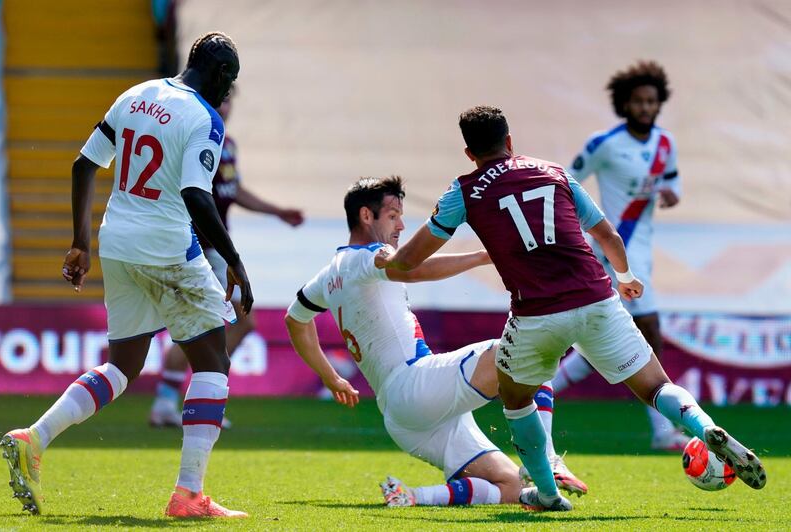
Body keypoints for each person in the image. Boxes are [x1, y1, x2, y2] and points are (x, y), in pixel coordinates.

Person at [376, 106, 766, 512]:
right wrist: (626, 275)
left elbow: (408, 261)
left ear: (469, 153)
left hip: (535, 314)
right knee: (654, 386)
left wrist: (391, 259)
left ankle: (546, 493)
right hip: (597, 298)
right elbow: (609, 235)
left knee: (515, 397)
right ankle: (705, 428)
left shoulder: (465, 191)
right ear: (510, 142)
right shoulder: (554, 172)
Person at [0, 32, 253, 518]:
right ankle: (189, 495)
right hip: (166, 247)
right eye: (231, 81)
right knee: (214, 363)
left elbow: (84, 164)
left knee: (122, 366)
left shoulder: (136, 94)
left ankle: (34, 437)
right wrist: (235, 262)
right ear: (222, 76)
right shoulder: (206, 119)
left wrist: (80, 242)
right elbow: (198, 196)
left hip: (117, 242)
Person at [284, 176, 587, 509]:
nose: (401, 224)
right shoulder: (367, 256)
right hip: (416, 385)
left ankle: (412, 496)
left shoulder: (330, 273)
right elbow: (408, 269)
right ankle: (547, 458)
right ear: (366, 216)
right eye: (393, 215)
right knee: (527, 349)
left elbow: (295, 319)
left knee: (512, 486)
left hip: (401, 415)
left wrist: (331, 377)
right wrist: (484, 256)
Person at [149, 87, 304, 428]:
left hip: (219, 251)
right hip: (198, 248)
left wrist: (276, 211)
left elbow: (233, 192)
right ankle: (195, 395)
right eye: (220, 98)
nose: (226, 105)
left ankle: (171, 400)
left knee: (229, 323)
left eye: (230, 99)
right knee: (216, 326)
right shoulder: (193, 138)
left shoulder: (227, 144)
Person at [553, 60, 687, 450]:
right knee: (648, 333)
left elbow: (672, 182)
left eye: (651, 101)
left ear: (659, 103)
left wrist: (670, 194)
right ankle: (664, 430)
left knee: (604, 337)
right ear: (624, 104)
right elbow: (564, 181)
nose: (646, 108)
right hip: (615, 252)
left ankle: (544, 389)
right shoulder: (605, 144)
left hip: (644, 251)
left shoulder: (666, 145)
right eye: (638, 101)